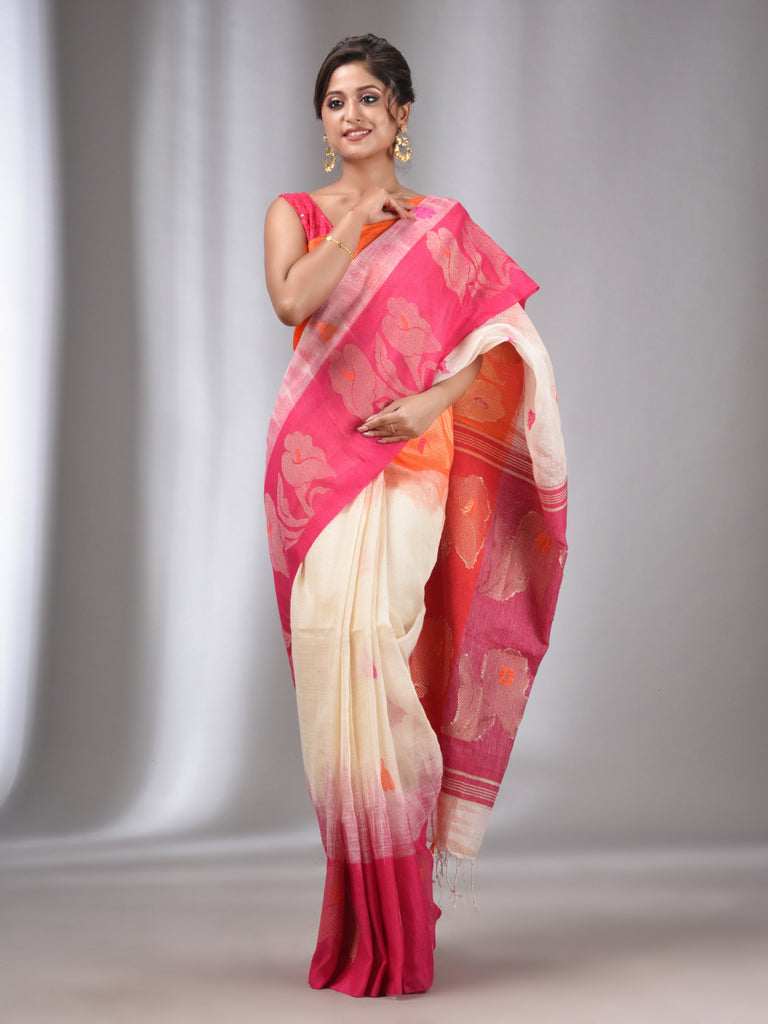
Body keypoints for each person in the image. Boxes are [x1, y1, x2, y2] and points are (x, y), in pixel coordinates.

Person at [263, 34, 567, 998]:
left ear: (401, 113)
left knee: (384, 664)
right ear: (322, 122)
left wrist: (430, 404)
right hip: (315, 467)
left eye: (369, 98)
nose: (351, 114)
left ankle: (400, 920)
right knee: (333, 676)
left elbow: (491, 346)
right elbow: (290, 302)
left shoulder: (443, 227)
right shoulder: (297, 213)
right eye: (335, 101)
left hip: (408, 461)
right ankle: (357, 918)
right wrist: (356, 222)